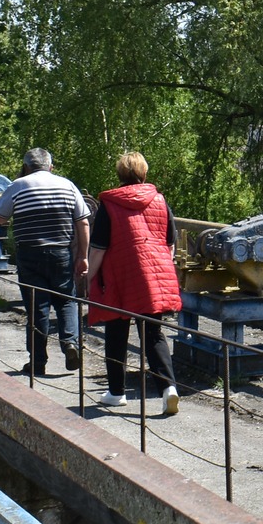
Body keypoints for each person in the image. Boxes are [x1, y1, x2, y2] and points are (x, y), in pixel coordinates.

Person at [84, 152, 184, 416]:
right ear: (144, 173)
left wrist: (88, 277)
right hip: (154, 274)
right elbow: (170, 244)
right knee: (154, 334)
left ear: (120, 175)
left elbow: (98, 248)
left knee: (116, 332)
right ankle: (168, 388)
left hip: (119, 276)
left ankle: (116, 392)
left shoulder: (109, 203)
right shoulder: (160, 200)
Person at [0, 148, 90, 378]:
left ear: (26, 167)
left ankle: (37, 362)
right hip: (61, 253)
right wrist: (83, 255)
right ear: (51, 166)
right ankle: (70, 343)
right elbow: (83, 222)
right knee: (66, 301)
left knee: (37, 308)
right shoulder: (67, 185)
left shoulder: (18, 186)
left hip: (29, 254)